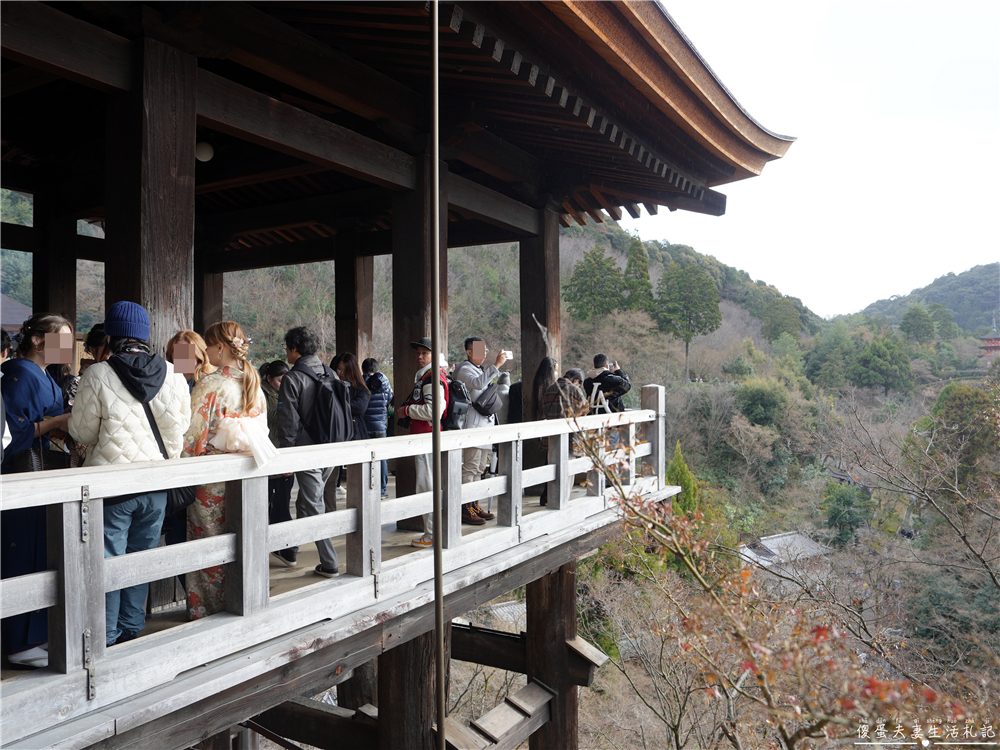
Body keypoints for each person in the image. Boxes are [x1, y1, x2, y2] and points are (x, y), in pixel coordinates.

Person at [69, 301, 191, 646]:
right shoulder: (174, 375)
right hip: (156, 487)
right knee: (141, 560)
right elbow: (180, 428)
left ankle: (106, 634)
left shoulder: (98, 374)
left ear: (112, 334)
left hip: (112, 487)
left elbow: (81, 433)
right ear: (146, 336)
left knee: (107, 561)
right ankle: (132, 627)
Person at [1, 313, 74, 668]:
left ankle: (37, 636)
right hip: (20, 476)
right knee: (21, 553)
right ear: (37, 340)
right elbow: (11, 435)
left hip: (44, 475)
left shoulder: (45, 376)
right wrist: (58, 422)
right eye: (61, 338)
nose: (68, 346)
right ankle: (18, 642)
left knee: (40, 553)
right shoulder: (20, 376)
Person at [183, 321, 266, 619]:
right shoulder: (252, 385)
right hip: (246, 477)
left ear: (220, 347)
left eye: (208, 343)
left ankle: (207, 612)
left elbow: (192, 439)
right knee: (242, 543)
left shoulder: (211, 384)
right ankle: (243, 604)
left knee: (209, 547)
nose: (205, 349)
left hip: (211, 482)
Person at [274, 326, 341, 577]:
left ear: (293, 349)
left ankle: (330, 562)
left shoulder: (292, 378)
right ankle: (291, 549)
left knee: (313, 504)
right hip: (332, 448)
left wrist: (287, 456)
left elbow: (288, 422)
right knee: (306, 501)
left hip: (306, 451)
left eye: (287, 348)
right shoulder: (330, 372)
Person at [396, 337, 447, 549]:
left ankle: (431, 535)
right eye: (418, 352)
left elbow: (434, 410)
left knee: (427, 487)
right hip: (428, 438)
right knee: (430, 485)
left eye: (424, 353)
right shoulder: (429, 376)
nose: (419, 356)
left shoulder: (431, 378)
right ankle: (435, 533)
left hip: (427, 438)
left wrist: (406, 410)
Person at [452, 337, 508, 524]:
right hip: (473, 426)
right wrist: (496, 366)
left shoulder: (478, 369)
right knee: (470, 468)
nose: (483, 353)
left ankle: (474, 505)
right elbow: (477, 384)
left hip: (484, 427)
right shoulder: (463, 369)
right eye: (479, 350)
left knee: (479, 469)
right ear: (469, 352)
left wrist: (492, 368)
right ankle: (465, 508)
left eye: (485, 350)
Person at [261, 360, 297, 563]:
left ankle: (284, 547)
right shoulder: (260, 394)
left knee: (282, 505)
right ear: (269, 379)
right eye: (279, 380)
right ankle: (273, 547)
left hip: (283, 455)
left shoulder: (287, 392)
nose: (283, 383)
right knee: (264, 507)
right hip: (267, 458)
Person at [539, 368, 589, 506]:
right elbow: (585, 409)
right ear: (577, 380)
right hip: (570, 439)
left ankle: (552, 501)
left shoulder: (550, 388)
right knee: (568, 473)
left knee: (553, 472)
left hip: (550, 437)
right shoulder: (574, 389)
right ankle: (562, 504)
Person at [326, 352, 371, 506]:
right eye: (338, 369)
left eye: (346, 369)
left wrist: (336, 405)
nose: (342, 373)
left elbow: (360, 407)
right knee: (330, 482)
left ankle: (359, 516)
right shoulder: (327, 387)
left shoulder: (361, 390)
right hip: (333, 438)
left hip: (356, 436)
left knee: (357, 481)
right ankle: (329, 516)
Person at [362, 357, 393, 497]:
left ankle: (367, 490)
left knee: (365, 458)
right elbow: (389, 399)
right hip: (380, 425)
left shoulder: (361, 382)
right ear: (377, 369)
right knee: (382, 458)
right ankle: (382, 490)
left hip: (365, 425)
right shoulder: (385, 382)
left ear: (363, 369)